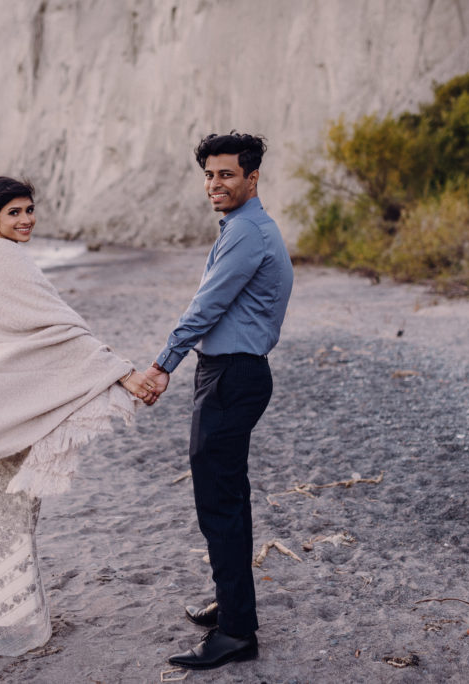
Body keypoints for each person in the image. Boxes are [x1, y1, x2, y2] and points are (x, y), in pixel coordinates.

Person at [0, 176, 157, 657]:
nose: (26, 220)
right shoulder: (3, 262)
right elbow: (62, 332)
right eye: (14, 213)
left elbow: (38, 333)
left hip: (2, 414)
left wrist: (112, 369)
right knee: (12, 518)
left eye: (29, 210)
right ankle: (8, 622)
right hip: (9, 417)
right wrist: (120, 371)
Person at [145, 132, 293, 670]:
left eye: (226, 174)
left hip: (233, 375)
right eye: (209, 175)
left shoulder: (249, 233)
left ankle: (235, 633)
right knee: (225, 499)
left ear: (252, 178)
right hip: (230, 373)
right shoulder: (242, 228)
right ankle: (232, 607)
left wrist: (162, 365)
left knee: (220, 503)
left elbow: (205, 307)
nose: (214, 184)